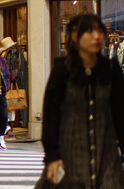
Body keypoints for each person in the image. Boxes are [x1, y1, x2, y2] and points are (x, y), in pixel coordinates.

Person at [35, 14, 124, 188]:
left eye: (100, 31)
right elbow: (51, 115)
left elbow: (121, 114)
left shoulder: (111, 69)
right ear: (75, 36)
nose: (96, 36)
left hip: (106, 157)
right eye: (89, 31)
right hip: (70, 156)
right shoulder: (62, 69)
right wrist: (52, 156)